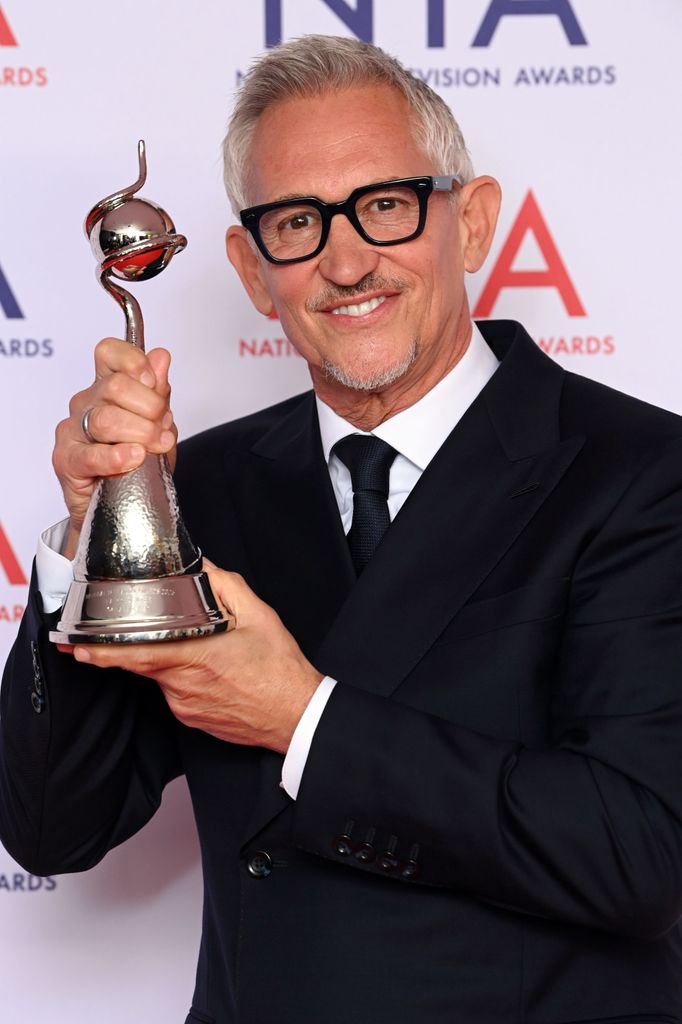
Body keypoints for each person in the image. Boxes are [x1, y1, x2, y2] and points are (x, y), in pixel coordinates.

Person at [2, 33, 682, 1024]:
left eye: (386, 204)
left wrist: (300, 719)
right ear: (248, 265)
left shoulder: (639, 473)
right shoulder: (206, 488)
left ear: (475, 221)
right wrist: (95, 525)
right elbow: (52, 828)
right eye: (295, 222)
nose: (345, 257)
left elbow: (645, 853)